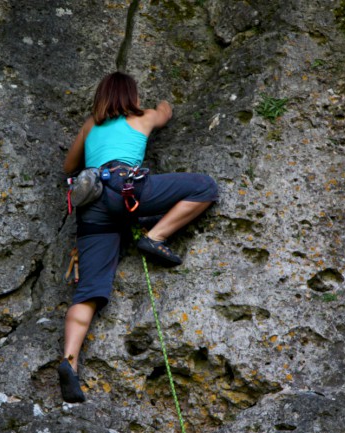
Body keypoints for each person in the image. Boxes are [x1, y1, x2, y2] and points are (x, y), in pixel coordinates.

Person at [58, 71, 218, 403]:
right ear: (132, 95)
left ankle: (69, 362)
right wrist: (163, 104)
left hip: (93, 204)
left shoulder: (91, 124)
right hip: (129, 189)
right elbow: (165, 112)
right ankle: (155, 236)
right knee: (205, 187)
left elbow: (68, 165)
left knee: (88, 292)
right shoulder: (143, 116)